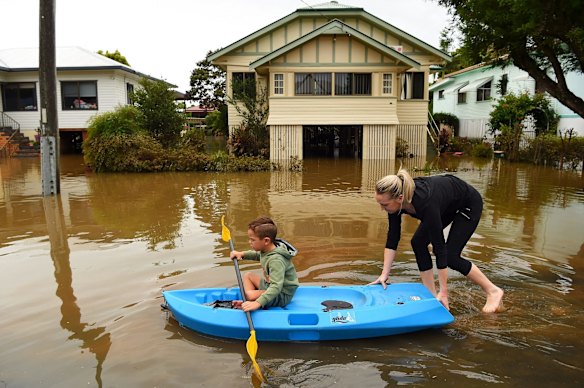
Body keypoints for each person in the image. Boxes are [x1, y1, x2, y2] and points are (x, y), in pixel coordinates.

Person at [369, 168, 504, 313]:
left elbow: (439, 247)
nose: (382, 209)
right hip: (446, 205)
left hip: (467, 204)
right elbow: (393, 237)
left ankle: (493, 291)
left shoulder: (426, 202)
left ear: (400, 198)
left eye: (384, 205)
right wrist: (384, 274)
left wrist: (444, 291)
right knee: (418, 243)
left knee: (450, 256)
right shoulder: (396, 204)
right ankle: (432, 296)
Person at [230, 216, 299, 312]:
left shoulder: (276, 260)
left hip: (281, 294)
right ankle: (250, 300)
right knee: (248, 276)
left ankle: (252, 302)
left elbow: (276, 287)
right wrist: (242, 254)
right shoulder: (268, 249)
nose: (250, 242)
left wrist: (257, 303)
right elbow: (259, 255)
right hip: (270, 285)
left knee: (249, 295)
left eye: (252, 240)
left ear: (266, 240)